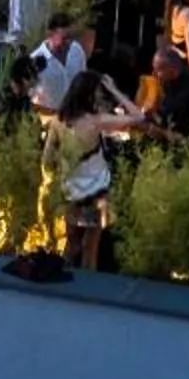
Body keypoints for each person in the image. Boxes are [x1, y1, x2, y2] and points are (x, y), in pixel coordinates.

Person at [48, 68, 145, 269]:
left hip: (71, 189)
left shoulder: (58, 120)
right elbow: (138, 117)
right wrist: (114, 89)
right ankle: (87, 289)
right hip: (97, 190)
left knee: (72, 243)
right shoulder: (96, 121)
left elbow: (48, 157)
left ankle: (63, 282)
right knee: (90, 246)